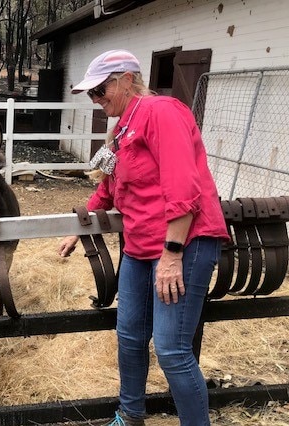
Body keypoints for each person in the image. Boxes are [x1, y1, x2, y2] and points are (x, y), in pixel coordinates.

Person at [58, 49, 229, 426]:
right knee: (130, 335)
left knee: (172, 350)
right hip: (139, 246)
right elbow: (110, 185)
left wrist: (172, 254)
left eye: (101, 90)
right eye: (92, 94)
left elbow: (184, 188)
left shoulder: (160, 112)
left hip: (182, 243)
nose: (97, 99)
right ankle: (131, 415)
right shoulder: (122, 128)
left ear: (126, 80)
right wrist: (80, 224)